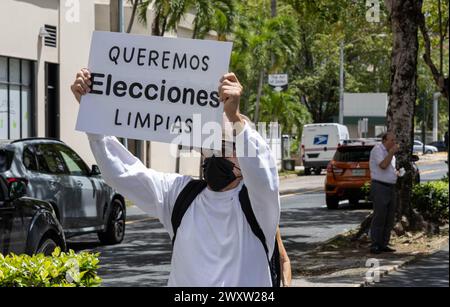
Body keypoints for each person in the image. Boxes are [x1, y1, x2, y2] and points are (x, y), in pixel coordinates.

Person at [71, 69, 291, 286]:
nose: (214, 152)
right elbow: (123, 173)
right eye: (209, 144)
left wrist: (234, 117)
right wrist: (92, 112)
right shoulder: (180, 196)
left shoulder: (259, 206)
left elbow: (264, 173)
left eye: (224, 145)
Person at [369, 132, 399, 254]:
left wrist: (396, 173)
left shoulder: (390, 154)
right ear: (384, 140)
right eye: (391, 140)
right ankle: (375, 244)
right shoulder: (378, 150)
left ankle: (384, 243)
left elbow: (389, 168)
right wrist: (392, 152)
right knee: (380, 215)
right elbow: (383, 165)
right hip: (380, 186)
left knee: (389, 217)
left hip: (391, 187)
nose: (394, 143)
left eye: (394, 140)